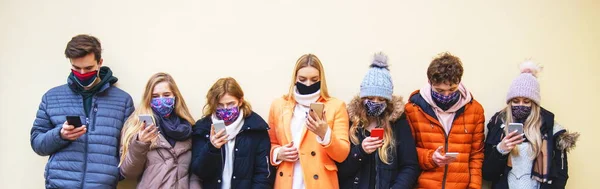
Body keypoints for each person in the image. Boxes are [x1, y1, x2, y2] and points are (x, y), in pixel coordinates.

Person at [30, 34, 134, 188]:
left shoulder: (122, 100)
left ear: (100, 63)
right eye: (76, 68)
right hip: (59, 184)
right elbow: (37, 143)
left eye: (89, 68)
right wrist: (60, 135)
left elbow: (127, 149)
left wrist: (113, 175)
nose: (83, 73)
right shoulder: (52, 97)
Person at [482, 61, 579, 189]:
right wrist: (501, 150)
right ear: (510, 102)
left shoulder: (550, 129)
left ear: (534, 104)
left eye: (526, 101)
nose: (520, 105)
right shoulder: (498, 126)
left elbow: (561, 176)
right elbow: (488, 175)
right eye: (515, 101)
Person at [337, 53, 420, 189]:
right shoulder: (350, 122)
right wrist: (361, 151)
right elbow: (339, 170)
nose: (375, 103)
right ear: (362, 97)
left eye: (381, 99)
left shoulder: (397, 122)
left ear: (388, 101)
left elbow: (410, 166)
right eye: (370, 97)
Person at [268, 54, 350, 189]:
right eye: (302, 79)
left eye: (314, 79)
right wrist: (278, 153)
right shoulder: (279, 105)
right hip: (287, 181)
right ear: (295, 79)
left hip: (321, 183)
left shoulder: (335, 106)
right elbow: (270, 143)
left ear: (321, 79)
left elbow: (342, 154)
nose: (308, 84)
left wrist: (325, 134)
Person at [404, 52, 485, 189]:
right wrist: (430, 158)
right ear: (430, 82)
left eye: (452, 89)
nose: (447, 95)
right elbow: (406, 153)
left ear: (459, 82)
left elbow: (476, 155)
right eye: (440, 91)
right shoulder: (413, 109)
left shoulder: (475, 110)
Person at [191, 77, 274, 189]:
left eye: (230, 104)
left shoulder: (256, 128)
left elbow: (263, 174)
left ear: (240, 101)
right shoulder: (203, 128)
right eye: (220, 105)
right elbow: (199, 172)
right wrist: (212, 148)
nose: (225, 109)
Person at [119, 73, 198, 188]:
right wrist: (141, 144)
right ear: (148, 98)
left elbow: (195, 174)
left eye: (166, 95)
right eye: (155, 96)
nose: (161, 100)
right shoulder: (137, 126)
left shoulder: (188, 127)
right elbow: (128, 173)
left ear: (175, 96)